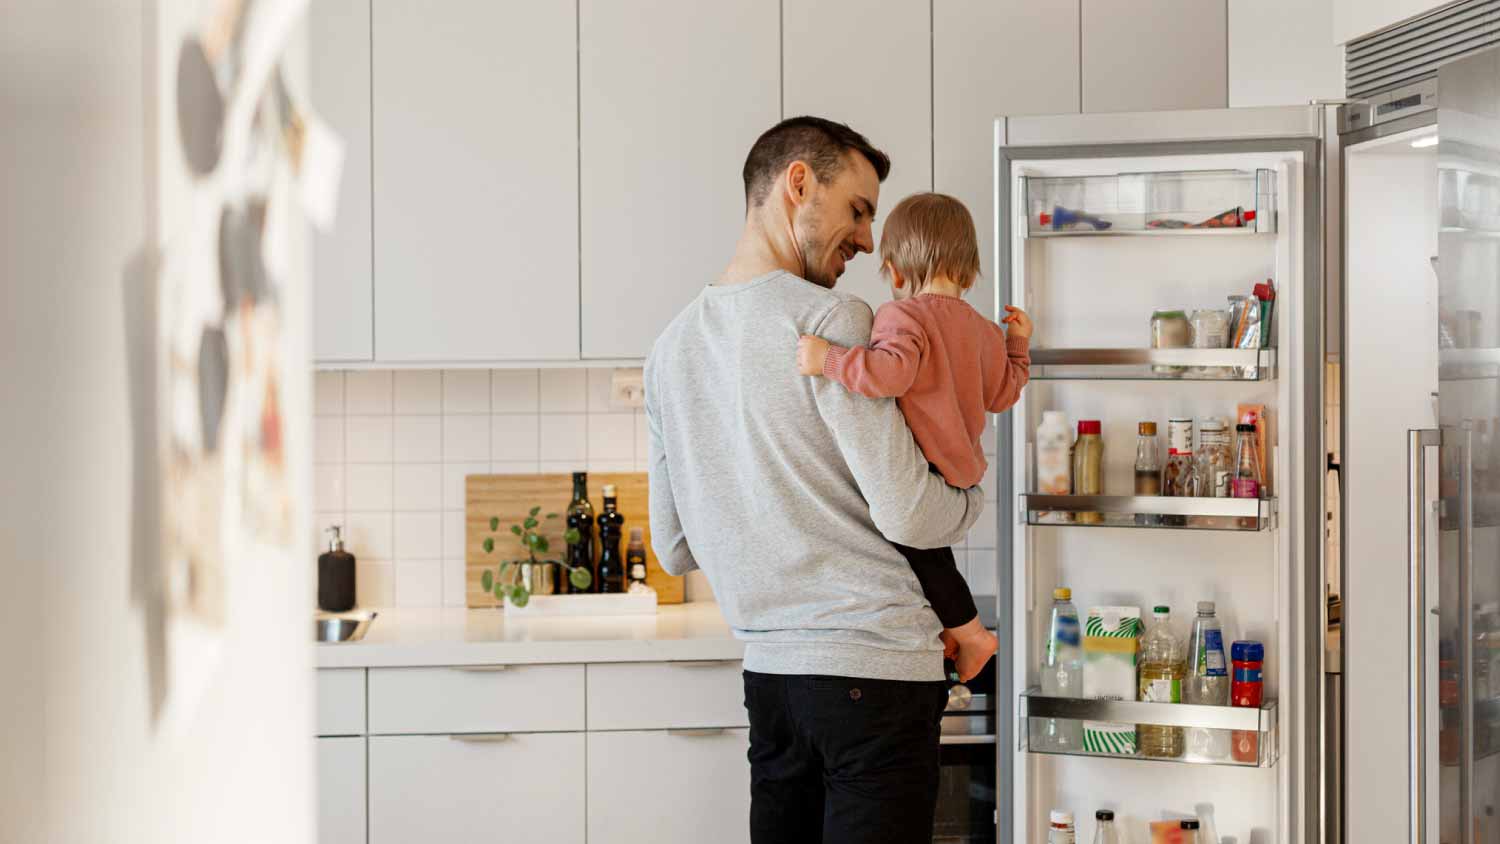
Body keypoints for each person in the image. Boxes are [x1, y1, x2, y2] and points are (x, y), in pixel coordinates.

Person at [645, 116, 985, 844]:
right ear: (798, 183)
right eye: (859, 210)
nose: (868, 239)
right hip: (878, 679)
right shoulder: (832, 319)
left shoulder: (669, 350)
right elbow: (909, 514)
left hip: (772, 684)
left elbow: (673, 547)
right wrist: (970, 496)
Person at [795, 192, 1032, 680]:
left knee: (904, 542)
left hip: (924, 482)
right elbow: (1006, 393)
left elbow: (889, 376)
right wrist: (1018, 343)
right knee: (922, 557)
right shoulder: (986, 332)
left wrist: (828, 361)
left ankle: (973, 634)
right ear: (969, 268)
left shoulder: (903, 317)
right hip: (962, 487)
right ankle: (957, 630)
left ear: (896, 270)